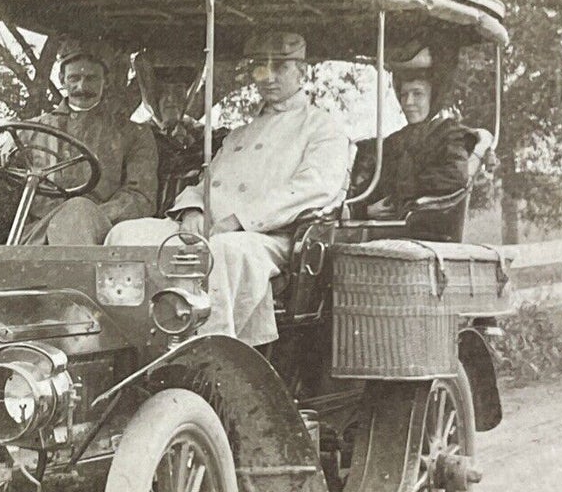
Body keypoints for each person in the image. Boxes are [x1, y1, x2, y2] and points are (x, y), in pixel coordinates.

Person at [105, 30, 350, 347]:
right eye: (262, 67)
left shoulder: (322, 127)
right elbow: (206, 181)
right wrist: (194, 208)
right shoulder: (240, 134)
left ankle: (207, 354)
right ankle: (127, 344)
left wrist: (240, 219)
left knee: (223, 253)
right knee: (125, 235)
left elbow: (314, 188)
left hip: (267, 236)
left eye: (281, 67)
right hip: (210, 226)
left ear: (302, 72)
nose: (269, 76)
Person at [7, 44, 158, 245]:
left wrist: (89, 215)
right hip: (36, 237)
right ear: (62, 80)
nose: (82, 87)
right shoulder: (27, 132)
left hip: (101, 236)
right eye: (74, 78)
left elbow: (141, 197)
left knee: (78, 212)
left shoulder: (132, 134)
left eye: (91, 79)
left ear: (106, 81)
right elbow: (3, 183)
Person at [351, 47, 473, 236]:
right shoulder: (393, 142)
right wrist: (366, 211)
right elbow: (368, 190)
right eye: (404, 95)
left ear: (433, 97)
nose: (408, 102)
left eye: (417, 94)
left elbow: (454, 176)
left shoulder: (449, 134)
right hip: (385, 231)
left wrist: (398, 195)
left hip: (428, 234)